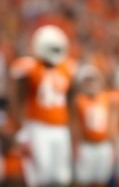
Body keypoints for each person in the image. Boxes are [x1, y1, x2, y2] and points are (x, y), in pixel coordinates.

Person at [7, 24, 77, 187]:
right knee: (40, 176)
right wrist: (21, 128)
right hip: (38, 126)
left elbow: (71, 100)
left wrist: (72, 130)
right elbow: (16, 97)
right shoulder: (30, 66)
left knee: (62, 177)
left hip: (60, 127)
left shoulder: (66, 68)